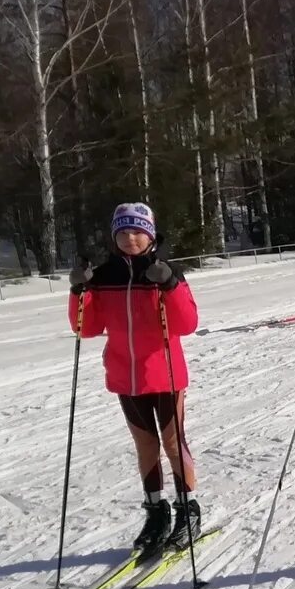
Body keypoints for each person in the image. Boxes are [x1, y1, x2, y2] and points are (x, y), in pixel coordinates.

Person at [68, 203, 201, 556]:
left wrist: (170, 284)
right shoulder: (104, 275)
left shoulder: (166, 270)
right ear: (114, 236)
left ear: (151, 234)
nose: (130, 239)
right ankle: (156, 513)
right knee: (145, 447)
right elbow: (87, 327)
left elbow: (187, 324)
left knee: (173, 444)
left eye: (138, 232)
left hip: (165, 373)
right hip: (125, 375)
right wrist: (78, 291)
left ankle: (188, 510)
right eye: (123, 232)